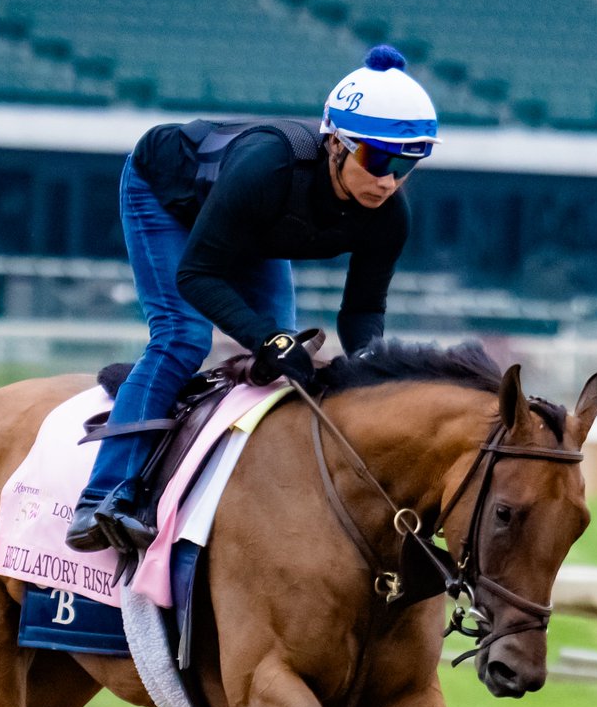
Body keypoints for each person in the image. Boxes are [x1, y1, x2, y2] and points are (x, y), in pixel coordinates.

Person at [65, 44, 440, 554]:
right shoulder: (268, 169)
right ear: (335, 142)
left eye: (408, 162)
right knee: (183, 337)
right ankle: (103, 497)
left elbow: (362, 311)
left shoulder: (391, 214)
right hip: (167, 193)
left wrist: (373, 368)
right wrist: (268, 336)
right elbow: (198, 276)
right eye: (377, 158)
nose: (389, 180)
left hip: (253, 224)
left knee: (282, 367)